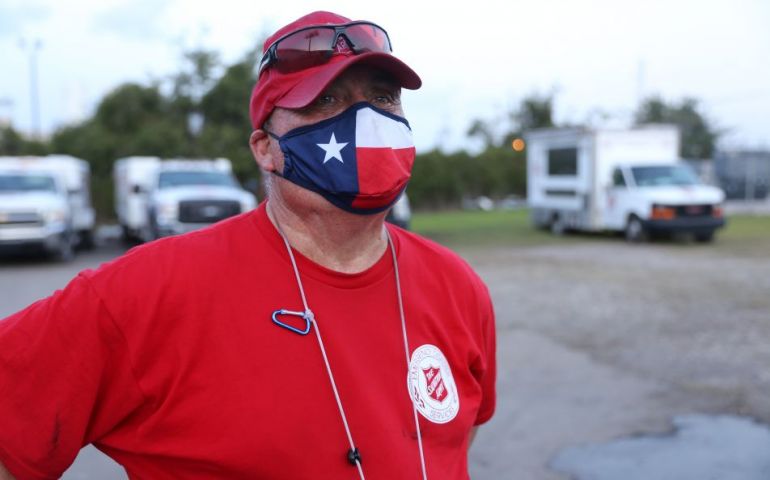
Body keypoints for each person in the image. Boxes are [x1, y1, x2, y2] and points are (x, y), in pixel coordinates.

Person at [0, 10, 496, 480]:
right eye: (325, 101)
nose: (366, 119)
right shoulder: (147, 292)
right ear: (266, 150)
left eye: (383, 98)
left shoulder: (458, 286)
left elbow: (451, 444)